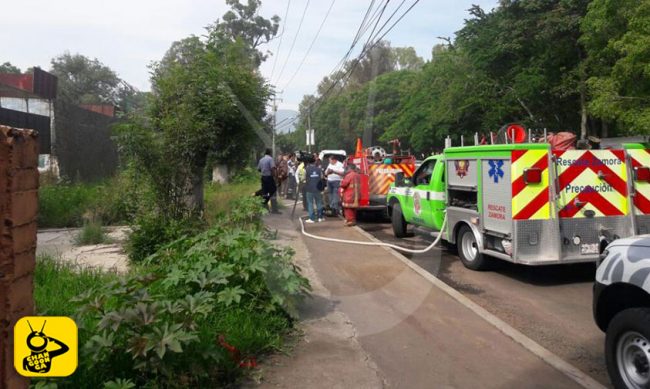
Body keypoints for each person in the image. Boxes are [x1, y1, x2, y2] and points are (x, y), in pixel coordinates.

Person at [257, 148, 281, 214]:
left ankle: (265, 209)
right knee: (273, 193)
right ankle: (274, 210)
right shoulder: (270, 159)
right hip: (269, 178)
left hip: (263, 178)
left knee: (265, 193)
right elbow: (273, 168)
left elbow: (258, 169)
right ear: (270, 153)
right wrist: (274, 176)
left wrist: (263, 171)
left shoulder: (261, 160)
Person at [304, 157, 324, 223]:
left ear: (308, 163)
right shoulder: (319, 169)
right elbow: (322, 177)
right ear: (314, 162)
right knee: (319, 202)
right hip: (318, 189)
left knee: (310, 203)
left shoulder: (306, 169)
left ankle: (311, 219)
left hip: (309, 189)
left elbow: (304, 178)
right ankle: (320, 217)